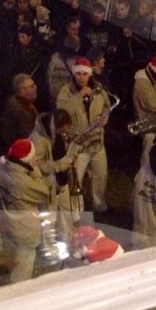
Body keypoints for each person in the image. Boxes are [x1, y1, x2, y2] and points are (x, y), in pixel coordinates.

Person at [0, 138, 53, 282]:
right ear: (27, 160)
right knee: (21, 276)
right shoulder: (24, 182)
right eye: (33, 157)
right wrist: (34, 170)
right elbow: (44, 193)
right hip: (24, 234)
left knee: (10, 268)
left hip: (4, 228)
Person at [56, 59, 112, 215]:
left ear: (90, 74)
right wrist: (78, 97)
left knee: (101, 176)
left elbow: (107, 105)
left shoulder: (98, 89)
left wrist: (105, 116)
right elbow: (61, 113)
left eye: (85, 74)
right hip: (78, 145)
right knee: (76, 179)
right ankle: (75, 211)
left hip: (97, 142)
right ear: (74, 74)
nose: (81, 78)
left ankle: (100, 206)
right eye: (78, 74)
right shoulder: (66, 91)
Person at [29, 110, 81, 243]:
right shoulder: (38, 139)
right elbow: (38, 164)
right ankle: (49, 247)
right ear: (60, 126)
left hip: (62, 182)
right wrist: (60, 165)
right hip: (50, 186)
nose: (67, 131)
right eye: (66, 128)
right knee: (49, 220)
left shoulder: (57, 133)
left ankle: (68, 242)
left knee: (67, 216)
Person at [0, 73, 39, 149]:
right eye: (32, 86)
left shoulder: (13, 99)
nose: (36, 87)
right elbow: (29, 138)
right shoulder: (23, 112)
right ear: (22, 91)